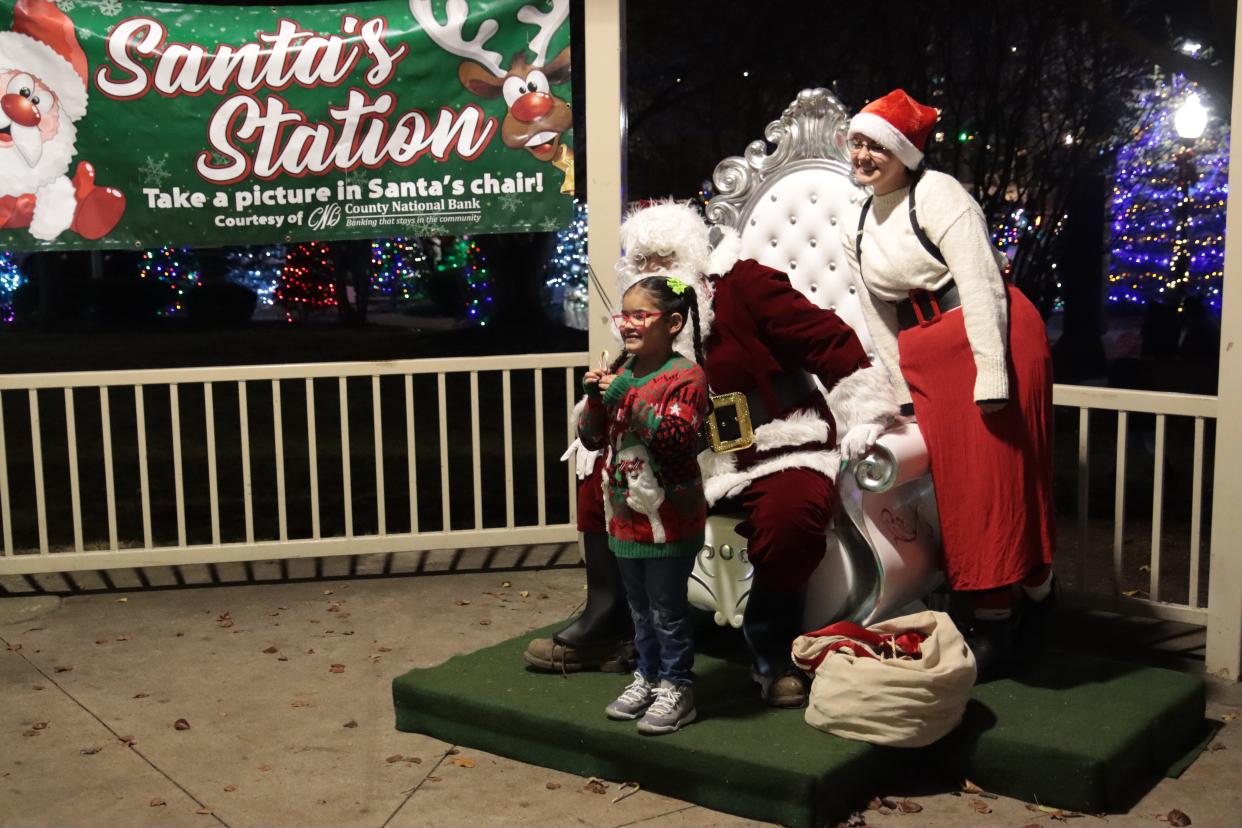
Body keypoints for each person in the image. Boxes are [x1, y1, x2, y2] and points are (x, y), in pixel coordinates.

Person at [527, 200, 899, 708]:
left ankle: (771, 648)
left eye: (666, 257)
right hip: (678, 452)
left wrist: (867, 413)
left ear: (693, 257)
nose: (656, 270)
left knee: (792, 512)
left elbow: (830, 342)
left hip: (771, 445)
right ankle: (608, 621)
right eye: (644, 261)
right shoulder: (645, 325)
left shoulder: (745, 286)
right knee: (599, 480)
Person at [841, 89, 1056, 681]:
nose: (863, 154)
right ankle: (1016, 602)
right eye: (857, 142)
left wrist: (993, 371)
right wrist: (902, 390)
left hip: (993, 338)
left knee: (998, 481)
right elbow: (878, 314)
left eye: (876, 145)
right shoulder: (856, 219)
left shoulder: (938, 194)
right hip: (928, 354)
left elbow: (982, 280)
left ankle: (1007, 612)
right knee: (958, 488)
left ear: (903, 153)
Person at [577, 275, 710, 734]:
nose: (627, 324)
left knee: (667, 609)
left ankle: (678, 685)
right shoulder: (624, 370)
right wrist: (595, 400)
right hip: (625, 518)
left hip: (670, 520)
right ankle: (648, 676)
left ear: (673, 323)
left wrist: (623, 397)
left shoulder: (687, 376)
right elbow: (592, 438)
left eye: (640, 315)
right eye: (624, 315)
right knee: (639, 608)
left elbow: (675, 440)